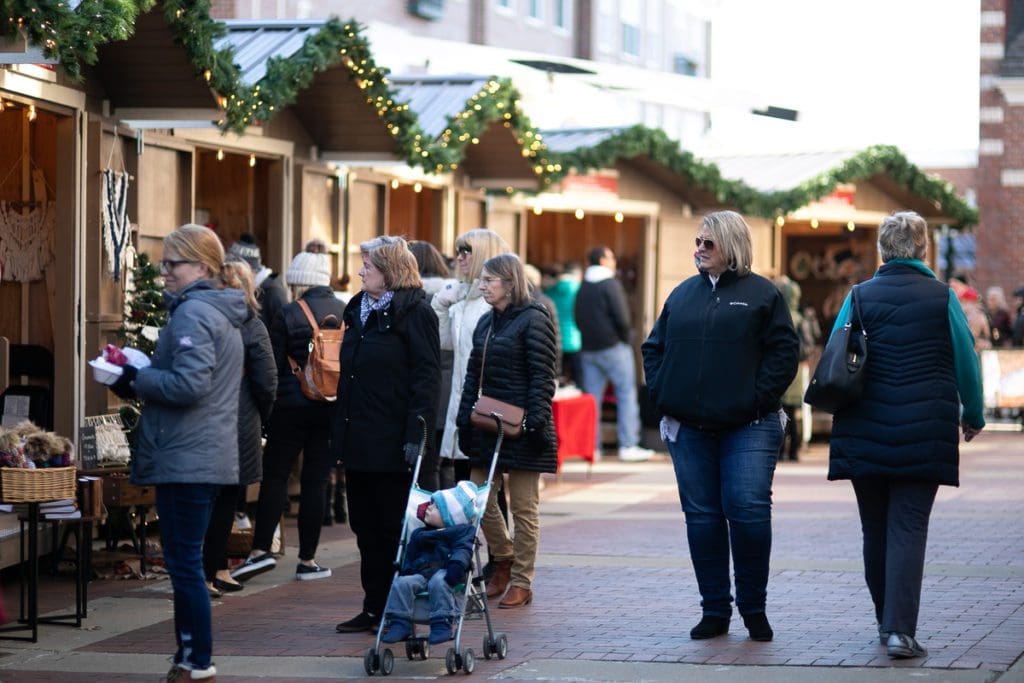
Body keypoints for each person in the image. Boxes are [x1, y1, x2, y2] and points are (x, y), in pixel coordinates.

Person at [826, 211, 985, 659]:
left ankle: (885, 622)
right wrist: (972, 414)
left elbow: (836, 350)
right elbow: (966, 360)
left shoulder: (858, 296)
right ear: (922, 249)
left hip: (864, 426)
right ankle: (899, 631)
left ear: (882, 249)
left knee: (874, 529)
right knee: (908, 528)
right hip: (924, 428)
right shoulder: (941, 297)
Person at [641, 211, 799, 643]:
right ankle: (714, 610)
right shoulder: (683, 294)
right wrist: (663, 392)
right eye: (697, 241)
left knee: (747, 511)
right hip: (690, 428)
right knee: (703, 517)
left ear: (731, 245)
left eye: (708, 243)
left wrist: (755, 400)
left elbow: (785, 353)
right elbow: (653, 347)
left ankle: (754, 608)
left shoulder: (763, 294)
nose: (699, 249)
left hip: (749, 426)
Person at [105, 223, 247, 682]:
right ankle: (190, 657)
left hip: (188, 456)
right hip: (201, 452)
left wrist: (133, 378)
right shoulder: (213, 311)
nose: (163, 271)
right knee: (187, 562)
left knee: (185, 564)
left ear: (202, 266)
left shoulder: (193, 315)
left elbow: (189, 384)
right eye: (163, 262)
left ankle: (196, 659)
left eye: (173, 263)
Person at [333, 236, 441, 634]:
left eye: (369, 266)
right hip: (358, 436)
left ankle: (404, 608)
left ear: (391, 272)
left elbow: (427, 379)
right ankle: (374, 606)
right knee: (364, 527)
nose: (361, 271)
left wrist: (417, 434)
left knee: (396, 528)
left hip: (396, 443)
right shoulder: (357, 309)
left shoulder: (415, 313)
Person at [232, 239, 344, 583]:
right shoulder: (345, 311)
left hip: (289, 409)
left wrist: (268, 411)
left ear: (300, 279)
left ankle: (260, 549)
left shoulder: (288, 313)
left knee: (276, 476)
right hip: (329, 407)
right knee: (316, 480)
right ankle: (308, 561)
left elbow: (273, 366)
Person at [456, 253, 558, 609]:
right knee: (476, 497)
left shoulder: (534, 319)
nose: (482, 285)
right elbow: (473, 375)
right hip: (489, 423)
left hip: (527, 425)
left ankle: (522, 581)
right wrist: (463, 418)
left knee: (525, 508)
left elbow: (543, 376)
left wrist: (536, 422)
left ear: (510, 284)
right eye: (482, 280)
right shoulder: (486, 323)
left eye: (489, 280)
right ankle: (504, 556)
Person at [202, 258, 277, 598]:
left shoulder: (203, 321)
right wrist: (262, 415)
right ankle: (209, 571)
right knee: (225, 499)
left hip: (206, 418)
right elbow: (267, 380)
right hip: (239, 418)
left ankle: (216, 568)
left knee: (210, 497)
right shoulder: (251, 325)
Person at [432, 229, 511, 488]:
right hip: (463, 404)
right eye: (458, 252)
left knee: (486, 492)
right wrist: (440, 304)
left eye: (467, 252)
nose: (460, 258)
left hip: (486, 407)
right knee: (465, 487)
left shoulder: (495, 303)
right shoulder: (463, 296)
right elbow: (446, 344)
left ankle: (495, 532)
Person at [574, 246, 653, 462]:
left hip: (589, 350)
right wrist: (625, 338)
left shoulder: (583, 286)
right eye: (611, 257)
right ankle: (628, 445)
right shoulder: (610, 284)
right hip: (614, 348)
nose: (614, 261)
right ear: (602, 260)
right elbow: (622, 318)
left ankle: (593, 447)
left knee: (592, 400)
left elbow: (578, 317)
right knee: (626, 394)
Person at [380, 482, 481, 645]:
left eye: (435, 507)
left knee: (439, 581)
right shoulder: (420, 533)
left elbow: (462, 550)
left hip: (447, 570)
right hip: (421, 572)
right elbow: (410, 555)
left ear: (449, 517)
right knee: (401, 583)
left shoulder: (461, 532)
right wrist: (406, 570)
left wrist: (456, 565)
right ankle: (400, 622)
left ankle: (442, 622)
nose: (428, 506)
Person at [411, 240, 458, 491]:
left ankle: (430, 520)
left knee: (427, 464)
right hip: (454, 386)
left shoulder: (416, 299)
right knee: (448, 462)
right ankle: (451, 522)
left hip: (427, 388)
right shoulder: (454, 295)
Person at [227, 232, 289, 331]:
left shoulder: (274, 292)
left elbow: (283, 333)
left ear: (249, 269)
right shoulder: (251, 288)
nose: (231, 276)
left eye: (236, 271)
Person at [775, 275, 807, 461]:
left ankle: (780, 451)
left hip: (782, 368)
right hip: (797, 368)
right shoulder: (801, 318)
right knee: (794, 413)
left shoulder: (781, 315)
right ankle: (794, 450)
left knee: (780, 412)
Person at [545, 262, 583, 385]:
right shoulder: (579, 289)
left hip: (555, 340)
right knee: (578, 382)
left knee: (557, 381)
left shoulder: (550, 291)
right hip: (575, 340)